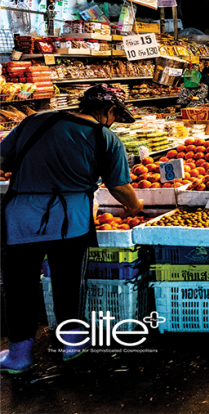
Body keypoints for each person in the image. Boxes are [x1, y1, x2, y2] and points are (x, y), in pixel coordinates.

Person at [0, 84, 143, 373]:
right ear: (110, 110)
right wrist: (135, 206)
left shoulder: (36, 120)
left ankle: (19, 356)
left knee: (19, 287)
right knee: (67, 283)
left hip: (21, 216)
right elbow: (119, 186)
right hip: (71, 221)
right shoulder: (107, 138)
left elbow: (3, 159)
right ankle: (72, 345)